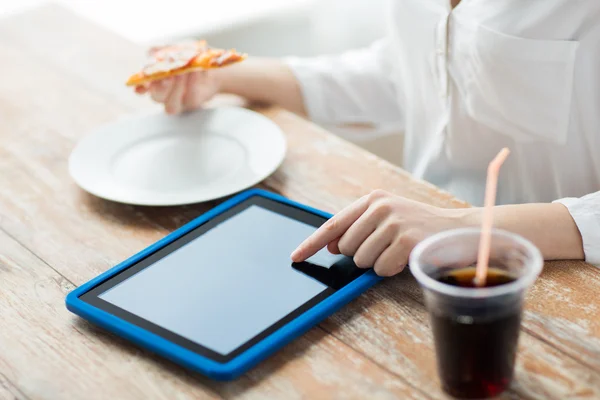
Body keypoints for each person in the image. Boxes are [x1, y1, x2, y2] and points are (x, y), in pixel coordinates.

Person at [136, 0, 600, 277]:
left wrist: (465, 228)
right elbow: (412, 73)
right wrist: (228, 73)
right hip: (409, 246)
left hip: (556, 278)